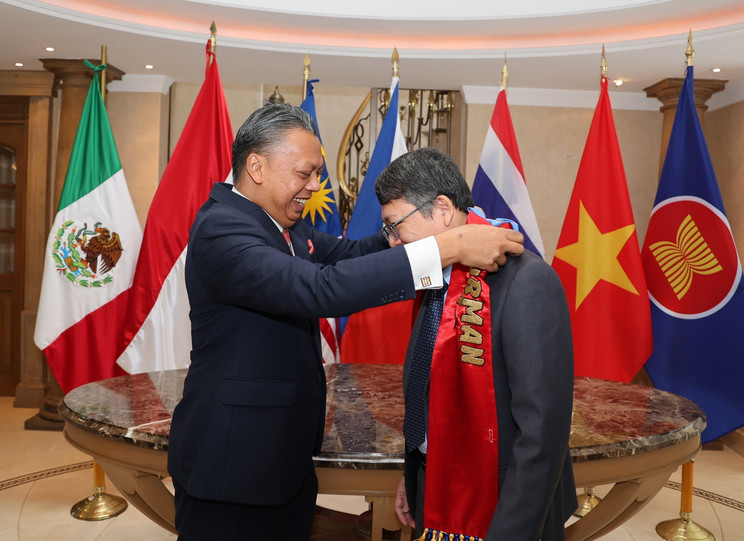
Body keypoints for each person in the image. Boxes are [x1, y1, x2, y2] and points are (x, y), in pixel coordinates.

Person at [167, 103, 525, 540]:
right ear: (256, 167)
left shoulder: (285, 227)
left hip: (283, 465)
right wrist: (449, 248)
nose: (315, 186)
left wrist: (412, 227)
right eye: (305, 173)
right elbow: (322, 289)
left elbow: (354, 256)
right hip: (231, 468)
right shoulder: (222, 229)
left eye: (317, 173)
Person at [376, 147, 577, 541]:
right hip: (436, 490)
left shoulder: (526, 282)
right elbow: (427, 388)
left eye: (395, 225)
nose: (393, 242)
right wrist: (417, 472)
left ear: (442, 209)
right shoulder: (435, 281)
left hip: (505, 506)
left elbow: (542, 434)